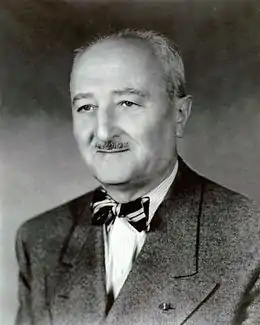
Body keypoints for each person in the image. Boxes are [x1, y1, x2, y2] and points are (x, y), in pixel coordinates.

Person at [15, 29, 260, 325]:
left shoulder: (250, 238)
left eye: (127, 103)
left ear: (179, 115)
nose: (103, 131)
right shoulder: (39, 239)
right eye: (86, 107)